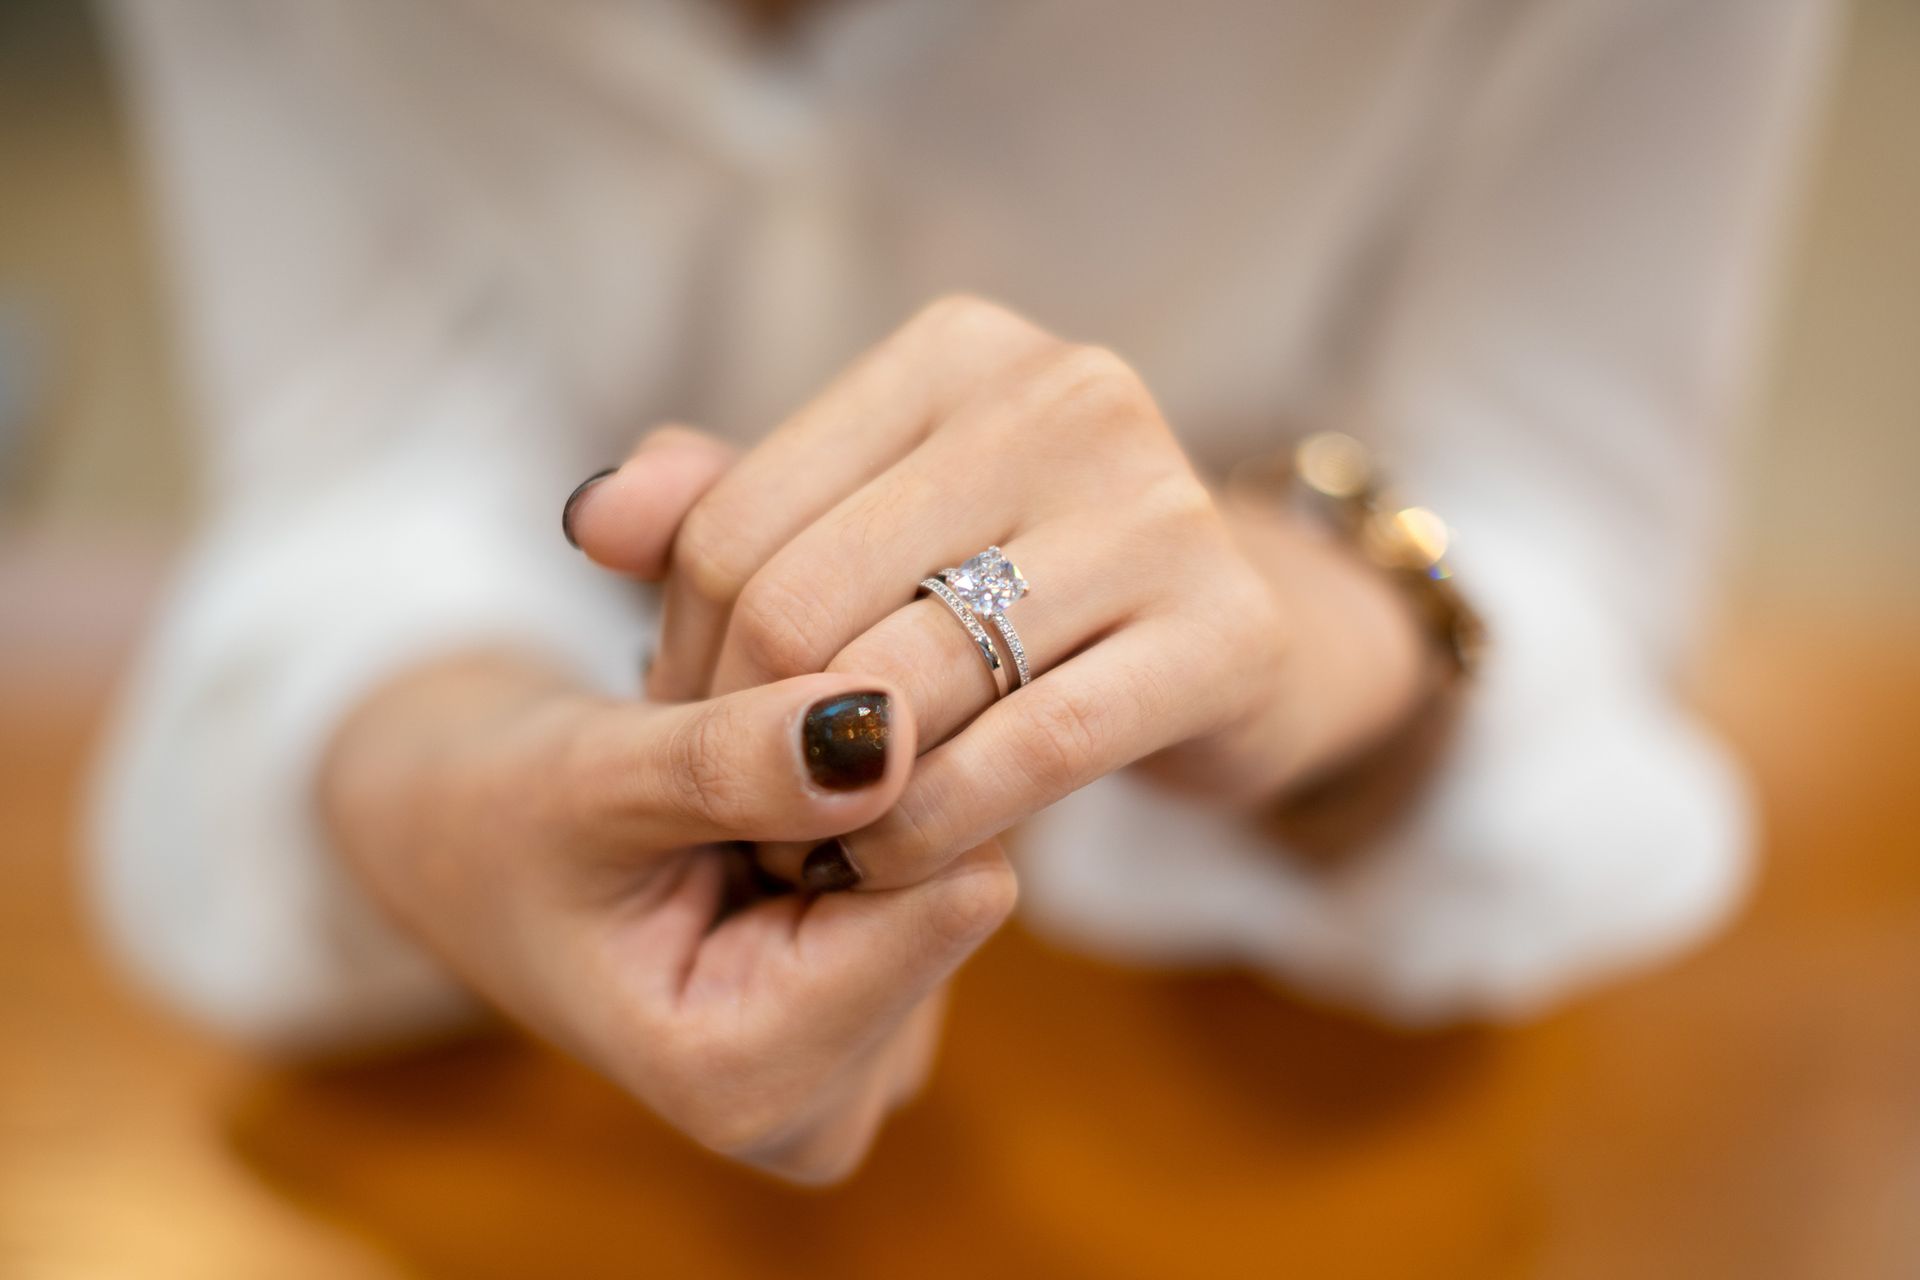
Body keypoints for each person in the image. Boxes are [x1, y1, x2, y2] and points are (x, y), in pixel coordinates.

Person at [92, 0, 1834, 1182]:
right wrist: (452, 785)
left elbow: (1564, 510)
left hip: (1261, 1107)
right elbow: (365, 457)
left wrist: (1296, 631)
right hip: (535, 1132)